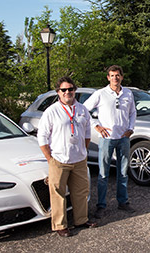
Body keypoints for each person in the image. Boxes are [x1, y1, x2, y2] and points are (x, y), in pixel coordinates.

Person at [37, 77, 97, 237]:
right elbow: (42, 137)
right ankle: (60, 225)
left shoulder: (82, 109)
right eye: (64, 90)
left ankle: (81, 220)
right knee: (58, 193)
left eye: (70, 89)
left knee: (81, 192)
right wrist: (50, 159)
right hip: (59, 160)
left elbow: (87, 133)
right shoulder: (51, 111)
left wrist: (82, 152)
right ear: (58, 92)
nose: (68, 92)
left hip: (79, 160)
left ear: (75, 90)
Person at [83, 65, 136, 219]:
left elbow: (132, 113)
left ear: (122, 77)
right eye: (112, 75)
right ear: (108, 77)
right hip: (107, 139)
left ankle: (123, 201)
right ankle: (101, 205)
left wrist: (131, 128)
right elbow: (84, 109)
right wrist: (96, 126)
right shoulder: (100, 94)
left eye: (117, 75)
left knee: (123, 172)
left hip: (123, 138)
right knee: (103, 174)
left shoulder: (128, 93)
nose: (115, 78)